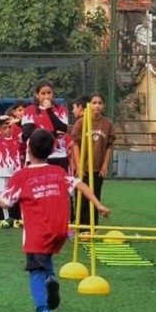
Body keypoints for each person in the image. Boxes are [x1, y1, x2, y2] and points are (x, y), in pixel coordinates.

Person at [0, 129, 110, 312]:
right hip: (60, 231)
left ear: (28, 149)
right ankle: (51, 278)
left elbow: (4, 202)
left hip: (37, 233)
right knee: (45, 259)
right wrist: (98, 205)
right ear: (51, 151)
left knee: (35, 272)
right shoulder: (58, 172)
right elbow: (80, 184)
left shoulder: (22, 175)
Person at [68, 93, 116, 226]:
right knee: (82, 199)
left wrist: (105, 165)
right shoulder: (81, 122)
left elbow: (109, 146)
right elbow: (75, 145)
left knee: (95, 197)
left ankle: (92, 228)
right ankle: (81, 228)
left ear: (104, 106)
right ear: (88, 105)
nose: (97, 106)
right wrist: (78, 165)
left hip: (97, 168)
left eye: (100, 103)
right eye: (94, 103)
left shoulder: (107, 123)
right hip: (83, 168)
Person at [20, 81, 70, 171]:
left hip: (58, 156)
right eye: (43, 93)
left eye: (49, 93)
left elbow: (62, 129)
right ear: (37, 95)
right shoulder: (29, 111)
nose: (46, 96)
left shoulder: (61, 110)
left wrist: (49, 110)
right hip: (36, 157)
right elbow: (28, 133)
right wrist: (53, 133)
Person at [0, 113, 24, 228]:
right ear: (0, 130)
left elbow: (27, 132)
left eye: (9, 127)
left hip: (15, 172)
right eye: (4, 128)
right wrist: (0, 119)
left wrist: (17, 121)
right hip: (1, 172)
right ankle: (7, 218)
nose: (8, 130)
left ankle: (18, 218)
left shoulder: (17, 139)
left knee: (17, 195)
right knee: (2, 194)